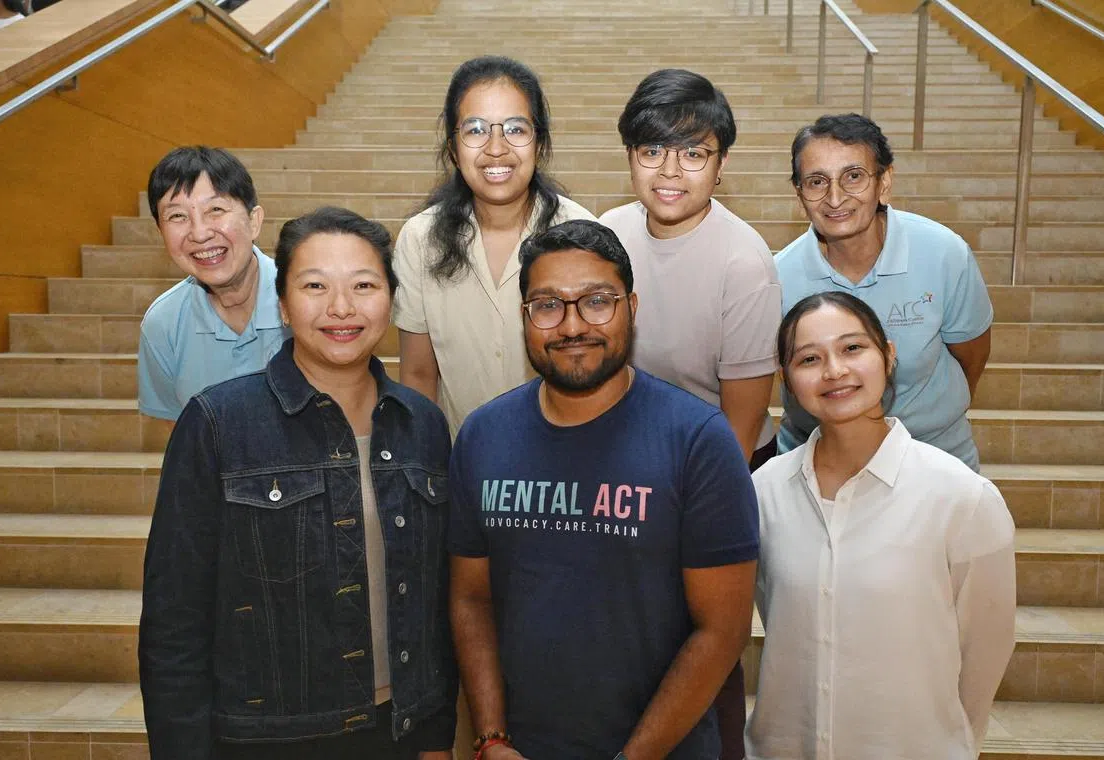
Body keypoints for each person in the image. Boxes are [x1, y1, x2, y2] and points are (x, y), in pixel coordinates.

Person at [139, 207, 457, 760]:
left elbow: (432, 605)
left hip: (399, 731)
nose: (341, 308)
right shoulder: (218, 424)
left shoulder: (422, 424)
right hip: (270, 741)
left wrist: (434, 736)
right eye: (315, 286)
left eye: (364, 285)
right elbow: (174, 622)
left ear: (391, 299)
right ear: (283, 304)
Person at [448, 219, 759, 760]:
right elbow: (471, 599)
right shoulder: (483, 435)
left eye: (597, 301)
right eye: (547, 305)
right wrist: (491, 737)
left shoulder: (697, 440)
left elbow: (721, 633)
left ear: (632, 308)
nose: (572, 325)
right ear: (525, 318)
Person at [745, 290, 1016, 760]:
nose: (834, 370)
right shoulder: (764, 490)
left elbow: (984, 654)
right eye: (809, 358)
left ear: (888, 356)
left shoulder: (961, 497)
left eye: (853, 348)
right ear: (786, 378)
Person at [598, 68, 779, 760]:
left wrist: (677, 518)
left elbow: (739, 427)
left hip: (715, 470)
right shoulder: (607, 232)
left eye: (693, 153)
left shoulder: (745, 263)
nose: (670, 171)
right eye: (651, 151)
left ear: (721, 165)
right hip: (623, 456)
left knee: (705, 643)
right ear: (630, 158)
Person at [774, 113, 993, 470]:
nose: (835, 197)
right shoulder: (778, 276)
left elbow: (971, 356)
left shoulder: (943, 253)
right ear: (800, 193)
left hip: (933, 458)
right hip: (814, 461)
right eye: (816, 181)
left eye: (854, 177)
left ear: (885, 182)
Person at [393, 56, 596, 438]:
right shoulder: (420, 240)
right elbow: (418, 375)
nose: (496, 148)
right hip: (462, 464)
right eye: (475, 130)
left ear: (540, 142)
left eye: (516, 129)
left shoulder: (580, 234)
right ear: (453, 147)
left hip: (566, 462)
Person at [137, 146, 289, 423]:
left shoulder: (306, 299)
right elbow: (180, 436)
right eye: (177, 216)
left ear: (254, 221)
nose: (200, 233)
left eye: (215, 209)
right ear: (160, 232)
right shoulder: (163, 323)